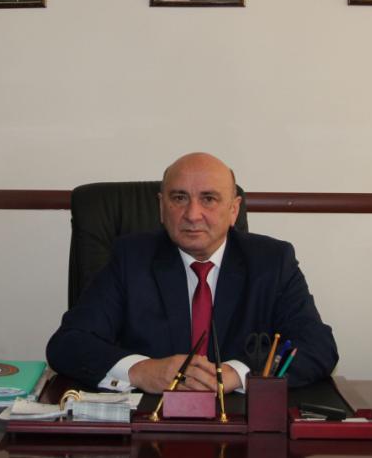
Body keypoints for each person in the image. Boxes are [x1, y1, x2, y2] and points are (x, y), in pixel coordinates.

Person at [46, 152, 338, 394]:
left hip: (239, 424)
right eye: (179, 198)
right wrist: (141, 370)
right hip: (151, 424)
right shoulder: (130, 258)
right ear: (162, 207)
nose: (192, 214)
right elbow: (68, 343)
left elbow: (318, 346)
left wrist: (236, 374)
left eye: (208, 198)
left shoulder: (272, 262)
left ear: (234, 209)